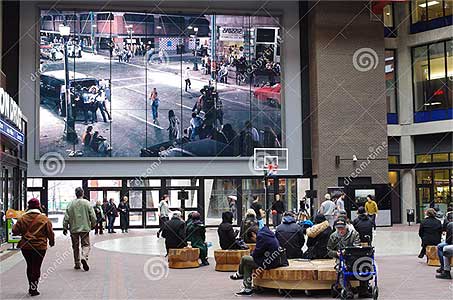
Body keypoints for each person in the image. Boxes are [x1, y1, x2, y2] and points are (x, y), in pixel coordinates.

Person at [12, 198, 55, 296]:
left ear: (28, 207)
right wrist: (52, 242)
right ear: (38, 206)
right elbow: (50, 233)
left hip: (26, 246)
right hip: (40, 247)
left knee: (30, 266)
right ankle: (34, 288)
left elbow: (15, 231)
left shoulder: (22, 218)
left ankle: (31, 285)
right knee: (37, 266)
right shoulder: (44, 219)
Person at [230, 226, 288, 296]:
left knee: (244, 258)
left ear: (253, 234)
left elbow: (257, 252)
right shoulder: (267, 233)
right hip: (274, 260)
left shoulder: (261, 236)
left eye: (252, 239)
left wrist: (252, 254)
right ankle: (247, 289)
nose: (254, 241)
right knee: (247, 264)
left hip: (270, 262)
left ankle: (240, 273)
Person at [63, 187, 97, 271]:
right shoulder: (87, 203)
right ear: (83, 193)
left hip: (74, 229)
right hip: (85, 228)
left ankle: (77, 263)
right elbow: (93, 216)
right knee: (85, 245)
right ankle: (84, 257)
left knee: (75, 246)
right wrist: (93, 225)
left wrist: (65, 227)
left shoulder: (70, 204)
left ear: (76, 194)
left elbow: (66, 217)